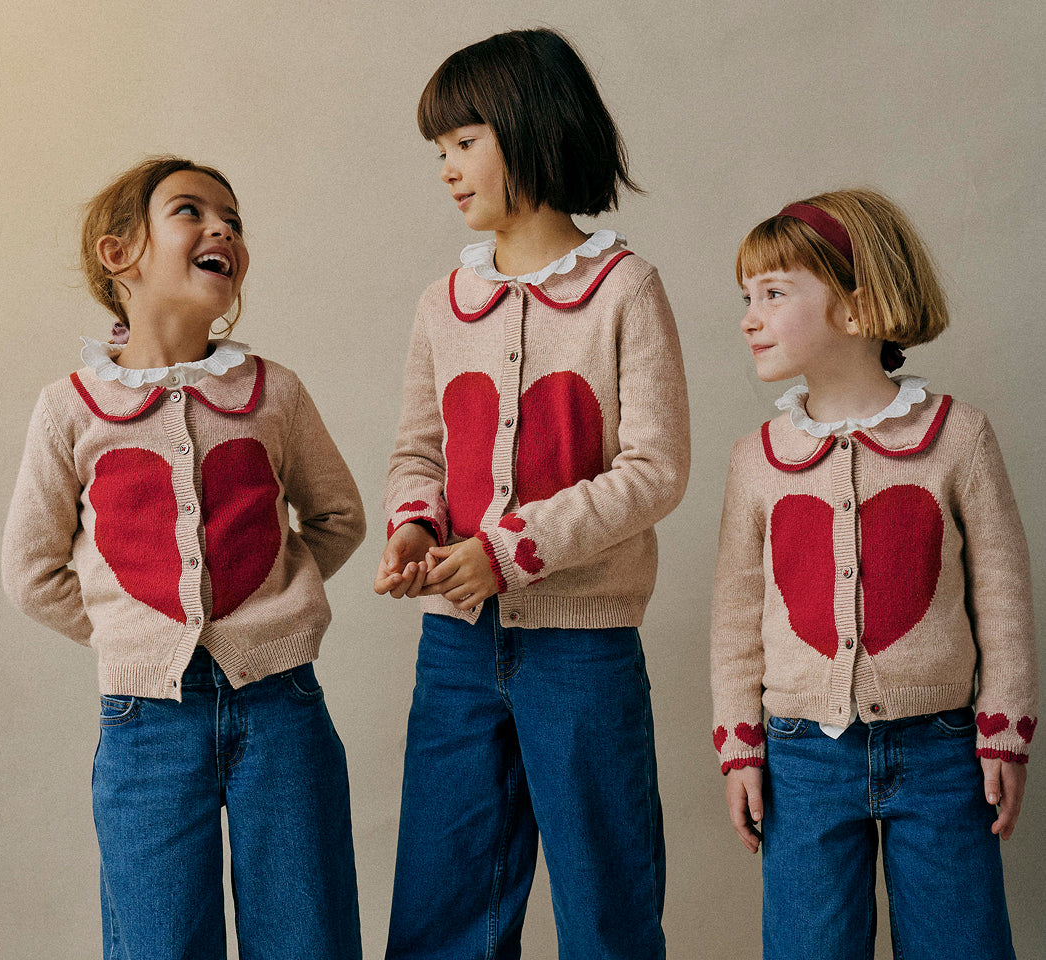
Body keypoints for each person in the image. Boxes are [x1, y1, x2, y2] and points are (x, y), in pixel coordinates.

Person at [374, 28, 690, 959]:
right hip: (457, 647)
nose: (446, 168)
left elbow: (654, 469)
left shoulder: (625, 288)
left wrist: (506, 550)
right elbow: (417, 451)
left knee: (607, 906)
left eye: (463, 141)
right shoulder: (443, 303)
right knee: (443, 902)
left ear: (530, 126)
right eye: (439, 150)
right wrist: (414, 531)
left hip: (583, 649)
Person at [2, 156, 365, 960]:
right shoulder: (70, 407)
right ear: (119, 254)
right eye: (192, 212)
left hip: (282, 705)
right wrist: (133, 632)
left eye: (233, 219)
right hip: (145, 723)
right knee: (160, 941)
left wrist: (276, 596)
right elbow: (32, 569)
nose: (223, 229)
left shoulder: (274, 392)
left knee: (307, 933)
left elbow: (337, 516)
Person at [710, 188, 1038, 959]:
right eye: (746, 297)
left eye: (775, 293)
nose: (749, 316)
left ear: (858, 308)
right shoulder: (757, 460)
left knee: (961, 942)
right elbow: (735, 616)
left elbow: (1004, 596)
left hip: (943, 749)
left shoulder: (958, 438)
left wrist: (1005, 732)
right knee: (809, 946)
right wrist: (740, 747)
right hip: (800, 755)